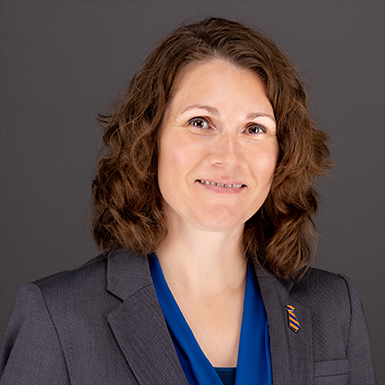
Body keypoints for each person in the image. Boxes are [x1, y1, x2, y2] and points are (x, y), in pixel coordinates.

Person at [0, 17, 376, 385]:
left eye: (254, 128)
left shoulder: (334, 307)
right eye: (200, 122)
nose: (229, 157)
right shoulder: (57, 318)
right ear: (150, 138)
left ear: (282, 154)